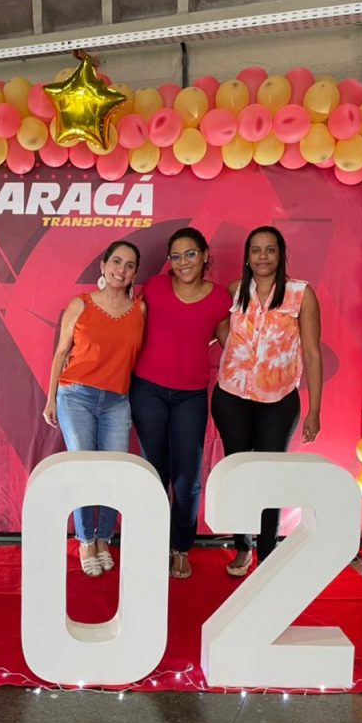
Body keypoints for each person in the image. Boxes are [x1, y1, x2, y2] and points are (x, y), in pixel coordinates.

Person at [212, 225, 323, 577]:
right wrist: (234, 348)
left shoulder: (300, 294)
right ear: (247, 256)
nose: (263, 256)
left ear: (281, 254)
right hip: (232, 397)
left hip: (278, 401)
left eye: (270, 249)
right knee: (240, 473)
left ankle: (266, 552)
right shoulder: (235, 292)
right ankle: (242, 548)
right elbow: (216, 327)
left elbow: (312, 352)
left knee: (270, 477)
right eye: (256, 250)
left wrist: (315, 410)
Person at [130, 227, 231, 579]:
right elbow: (128, 325)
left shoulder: (219, 298)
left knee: (188, 479)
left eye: (190, 254)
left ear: (205, 255)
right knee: (155, 471)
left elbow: (233, 346)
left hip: (190, 396)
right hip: (148, 392)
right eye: (176, 256)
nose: (183, 262)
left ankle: (181, 548)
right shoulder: (155, 287)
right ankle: (154, 543)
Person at [43, 241, 145, 577]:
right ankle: (86, 540)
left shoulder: (140, 310)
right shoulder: (81, 304)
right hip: (76, 396)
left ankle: (104, 538)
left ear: (135, 273)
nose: (121, 270)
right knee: (84, 471)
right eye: (116, 261)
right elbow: (61, 352)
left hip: (117, 401)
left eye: (129, 265)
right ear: (103, 266)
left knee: (114, 473)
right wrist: (50, 398)